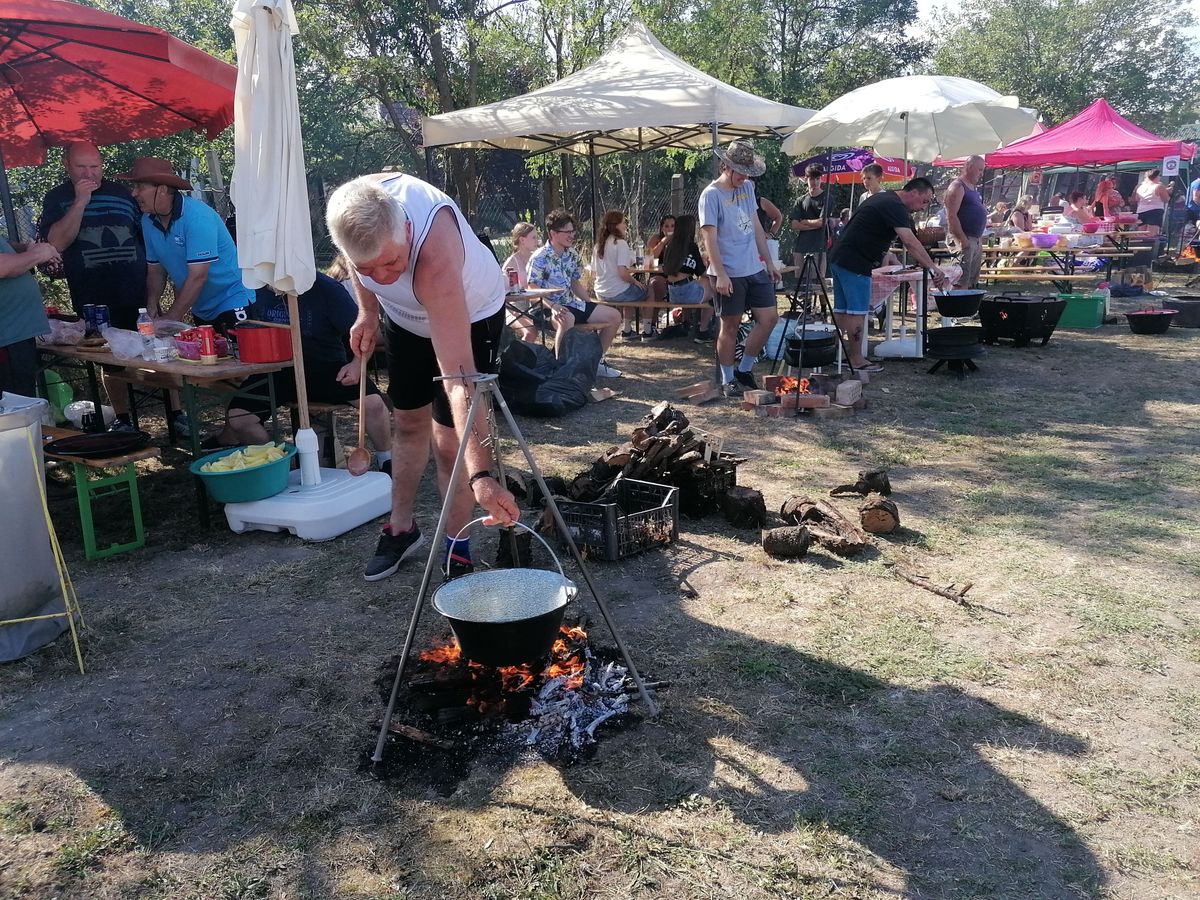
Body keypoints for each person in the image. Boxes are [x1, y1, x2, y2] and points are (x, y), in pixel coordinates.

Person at [325, 173, 520, 581]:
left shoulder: (434, 256)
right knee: (408, 422)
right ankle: (401, 527)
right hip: (404, 321)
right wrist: (369, 312)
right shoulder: (350, 212)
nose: (383, 277)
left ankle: (457, 545)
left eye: (392, 262)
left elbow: (459, 379)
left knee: (450, 443)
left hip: (472, 312)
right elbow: (362, 270)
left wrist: (483, 476)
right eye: (368, 268)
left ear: (409, 230)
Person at [202, 274, 393, 470]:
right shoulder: (256, 286)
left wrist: (356, 364)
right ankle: (272, 467)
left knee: (374, 404)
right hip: (276, 369)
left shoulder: (326, 289)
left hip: (326, 367)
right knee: (239, 418)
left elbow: (369, 334)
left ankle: (386, 461)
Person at [40, 141, 147, 432]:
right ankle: (123, 419)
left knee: (154, 350)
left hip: (136, 291)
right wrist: (80, 201)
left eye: (95, 166)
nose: (90, 173)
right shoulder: (57, 199)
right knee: (108, 360)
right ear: (66, 166)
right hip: (93, 297)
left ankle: (176, 413)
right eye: (81, 167)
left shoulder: (123, 193)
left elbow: (145, 238)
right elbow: (56, 243)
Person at [828, 177, 947, 372]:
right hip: (855, 261)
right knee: (856, 312)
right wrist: (933, 268)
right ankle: (857, 360)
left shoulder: (885, 199)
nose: (923, 207)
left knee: (843, 310)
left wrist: (886, 253)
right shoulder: (894, 206)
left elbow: (867, 229)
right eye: (925, 201)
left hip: (840, 257)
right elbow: (909, 242)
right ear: (914, 192)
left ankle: (838, 354)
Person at [699, 140, 780, 398]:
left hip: (753, 268)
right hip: (728, 271)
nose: (744, 177)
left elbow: (755, 225)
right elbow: (709, 238)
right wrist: (720, 273)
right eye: (740, 171)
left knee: (769, 319)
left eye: (748, 172)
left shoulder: (747, 188)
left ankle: (745, 368)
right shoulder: (711, 195)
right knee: (730, 325)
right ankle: (727, 379)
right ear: (726, 166)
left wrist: (768, 261)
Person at [527, 209, 623, 376]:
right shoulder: (539, 257)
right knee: (567, 319)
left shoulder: (572, 254)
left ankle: (595, 362)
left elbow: (574, 282)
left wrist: (589, 303)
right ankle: (561, 369)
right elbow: (531, 288)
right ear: (553, 233)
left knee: (614, 316)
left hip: (571, 303)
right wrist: (554, 305)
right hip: (544, 307)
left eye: (573, 231)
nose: (572, 235)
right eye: (567, 232)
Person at [0, 237, 59, 397]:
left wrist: (26, 248)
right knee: (15, 409)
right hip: (7, 339)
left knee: (21, 403)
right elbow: (3, 267)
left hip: (14, 336)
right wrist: (38, 254)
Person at [592, 210, 653, 341]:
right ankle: (647, 331)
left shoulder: (598, 245)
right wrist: (635, 282)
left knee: (629, 291)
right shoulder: (620, 243)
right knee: (649, 292)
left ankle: (627, 330)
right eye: (623, 222)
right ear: (616, 226)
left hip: (600, 291)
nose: (625, 225)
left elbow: (593, 273)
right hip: (616, 291)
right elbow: (622, 273)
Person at [658, 213, 713, 339]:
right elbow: (701, 272)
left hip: (673, 294)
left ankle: (687, 323)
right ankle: (703, 330)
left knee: (697, 283)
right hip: (686, 294)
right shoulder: (691, 246)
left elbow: (666, 270)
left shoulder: (670, 246)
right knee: (713, 288)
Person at [943, 155, 988, 288]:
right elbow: (951, 216)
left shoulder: (973, 188)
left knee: (972, 280)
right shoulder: (957, 186)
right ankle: (956, 307)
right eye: (979, 170)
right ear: (969, 167)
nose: (981, 174)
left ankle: (968, 307)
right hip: (964, 238)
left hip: (975, 239)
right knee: (961, 279)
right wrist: (962, 240)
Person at [501, 222, 542, 342]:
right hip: (513, 308)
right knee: (530, 332)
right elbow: (502, 293)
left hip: (534, 306)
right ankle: (520, 359)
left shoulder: (536, 259)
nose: (537, 241)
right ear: (522, 240)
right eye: (533, 237)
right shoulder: (512, 262)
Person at [790, 163, 830, 277]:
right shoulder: (800, 200)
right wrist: (814, 223)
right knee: (800, 285)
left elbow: (822, 222)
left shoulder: (826, 197)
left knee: (818, 284)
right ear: (806, 178)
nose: (815, 182)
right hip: (800, 247)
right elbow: (794, 224)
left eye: (818, 178)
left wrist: (804, 221)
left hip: (819, 247)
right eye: (812, 178)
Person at [1134, 168, 1172, 236]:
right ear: (1156, 176)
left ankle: (1140, 245)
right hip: (1155, 211)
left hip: (1141, 211)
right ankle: (1150, 245)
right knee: (1151, 234)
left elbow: (1137, 199)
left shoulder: (1140, 187)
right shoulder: (1159, 186)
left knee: (1141, 233)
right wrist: (1167, 192)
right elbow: (1166, 199)